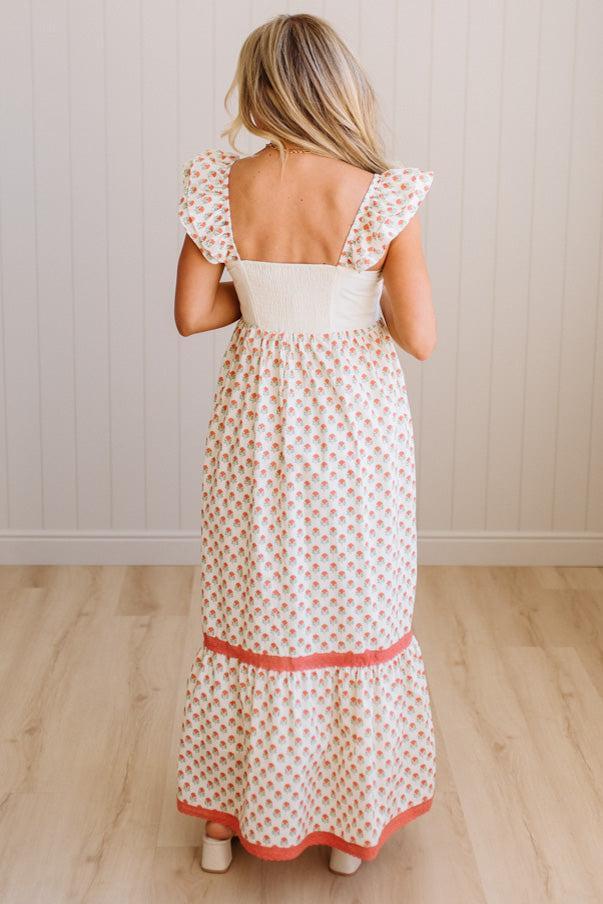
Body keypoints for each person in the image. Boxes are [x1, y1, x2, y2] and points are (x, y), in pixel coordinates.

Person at [174, 12, 437, 876]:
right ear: (337, 87)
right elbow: (420, 336)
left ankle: (225, 825)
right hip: (352, 427)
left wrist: (264, 297)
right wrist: (356, 299)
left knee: (253, 602)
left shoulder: (223, 184)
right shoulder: (381, 191)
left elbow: (192, 315)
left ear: (258, 90)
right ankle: (341, 826)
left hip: (257, 419)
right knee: (350, 604)